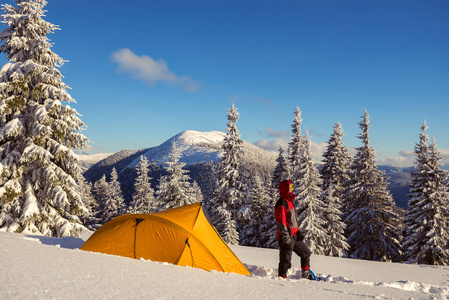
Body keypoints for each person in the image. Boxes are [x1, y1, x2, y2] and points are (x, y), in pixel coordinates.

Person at [275, 179, 312, 279]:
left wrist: (297, 230)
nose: (292, 189)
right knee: (285, 260)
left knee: (306, 252)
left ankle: (305, 273)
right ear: (285, 189)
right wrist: (285, 237)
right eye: (290, 187)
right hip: (286, 236)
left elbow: (292, 220)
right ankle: (281, 278)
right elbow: (281, 222)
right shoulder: (282, 203)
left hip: (294, 235)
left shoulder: (289, 201)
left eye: (292, 187)